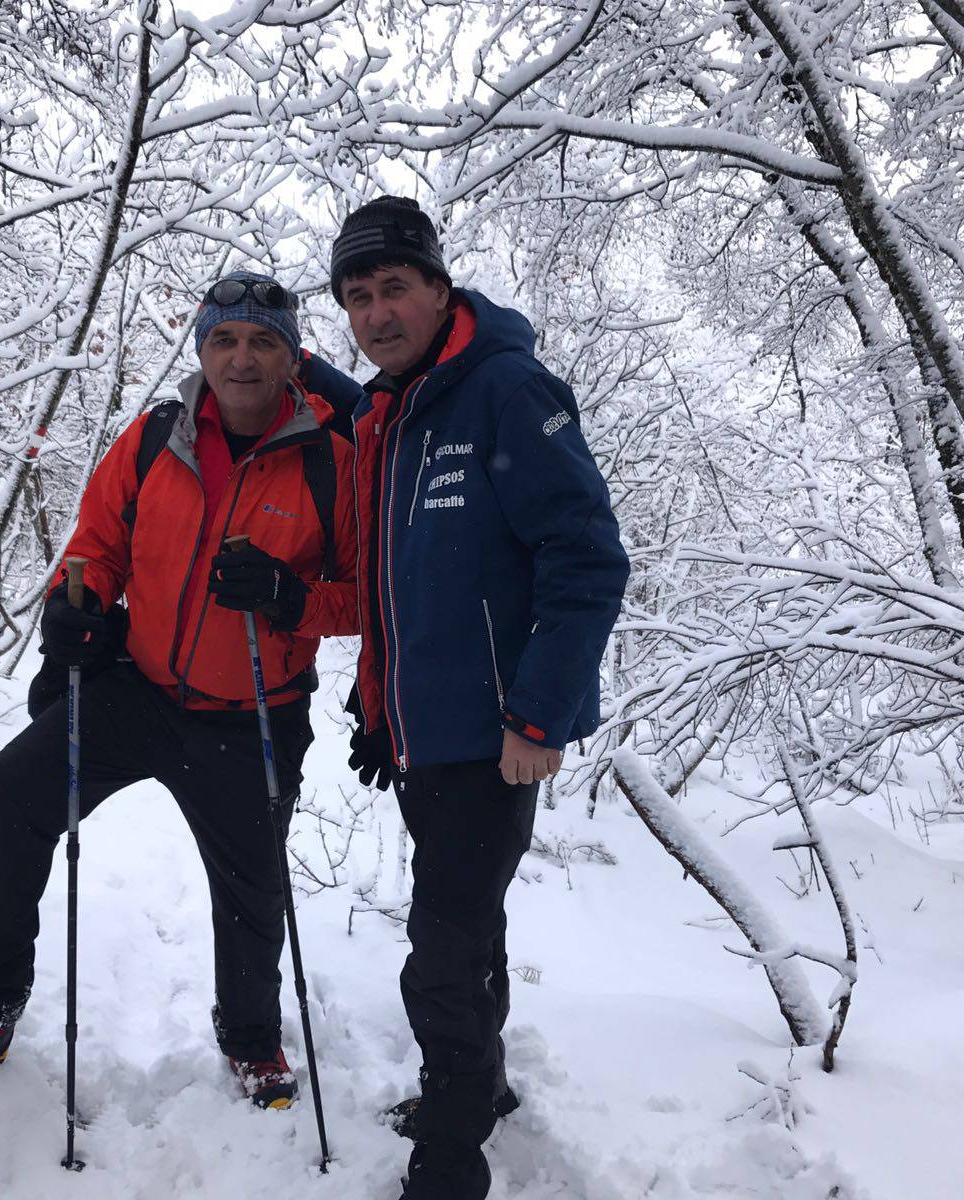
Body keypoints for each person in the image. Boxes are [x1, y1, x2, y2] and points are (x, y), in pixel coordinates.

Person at [0, 270, 359, 1110]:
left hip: (254, 718)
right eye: (226, 339)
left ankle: (250, 1039)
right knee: (11, 794)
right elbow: (99, 540)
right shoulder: (156, 437)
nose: (242, 359)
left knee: (251, 891)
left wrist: (287, 597)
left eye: (263, 343)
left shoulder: (330, 463)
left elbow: (364, 597)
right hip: (141, 689)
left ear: (291, 360)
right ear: (202, 346)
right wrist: (72, 612)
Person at [331, 197, 629, 1199]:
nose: (377, 313)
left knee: (441, 956)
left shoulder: (502, 389)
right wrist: (381, 711)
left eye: (394, 288)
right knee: (469, 928)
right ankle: (482, 1089)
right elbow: (396, 585)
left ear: (438, 287)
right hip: (428, 740)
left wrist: (541, 714)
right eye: (358, 296)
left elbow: (584, 558)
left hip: (495, 740)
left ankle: (450, 1155)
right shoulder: (390, 412)